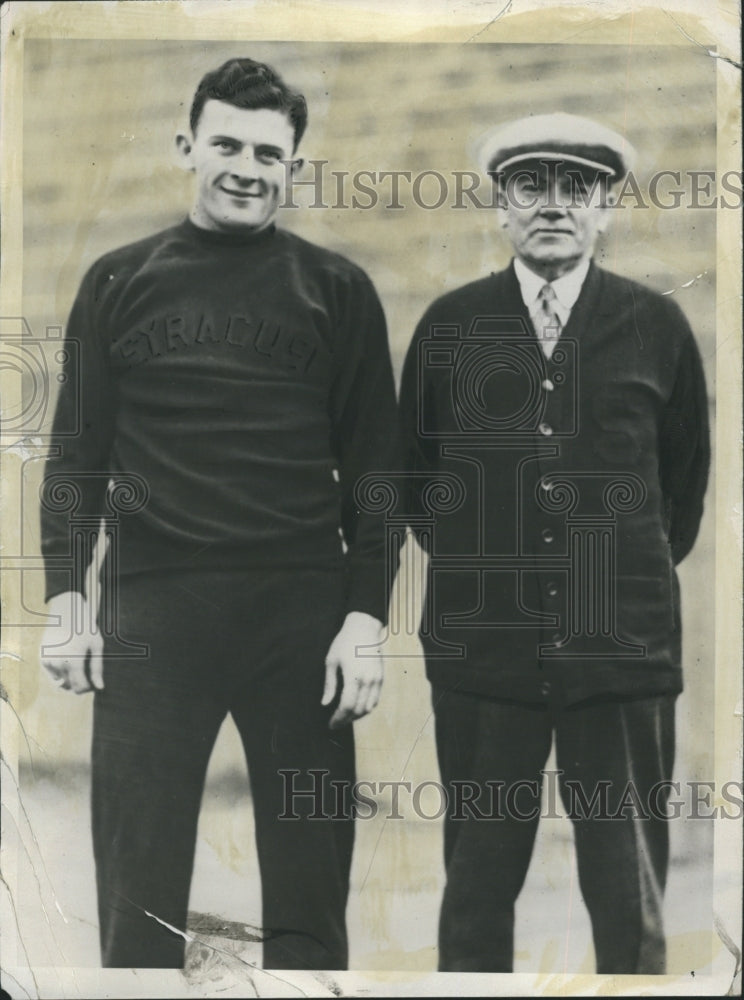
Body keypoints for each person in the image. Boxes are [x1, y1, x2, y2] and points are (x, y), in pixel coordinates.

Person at [39, 57, 399, 971]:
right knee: (137, 895)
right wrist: (64, 604)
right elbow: (77, 460)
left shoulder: (339, 291)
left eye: (270, 153)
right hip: (155, 611)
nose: (247, 167)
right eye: (228, 144)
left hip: (300, 612)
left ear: (294, 166)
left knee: (311, 898)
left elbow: (376, 474)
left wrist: (365, 619)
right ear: (187, 145)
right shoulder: (119, 282)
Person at [398, 113, 710, 974]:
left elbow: (677, 499)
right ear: (501, 205)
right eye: (531, 185)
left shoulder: (657, 328)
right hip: (484, 657)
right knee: (473, 899)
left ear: (606, 208)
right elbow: (421, 485)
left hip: (620, 655)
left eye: (579, 188)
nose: (554, 205)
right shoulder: (450, 327)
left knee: (628, 901)